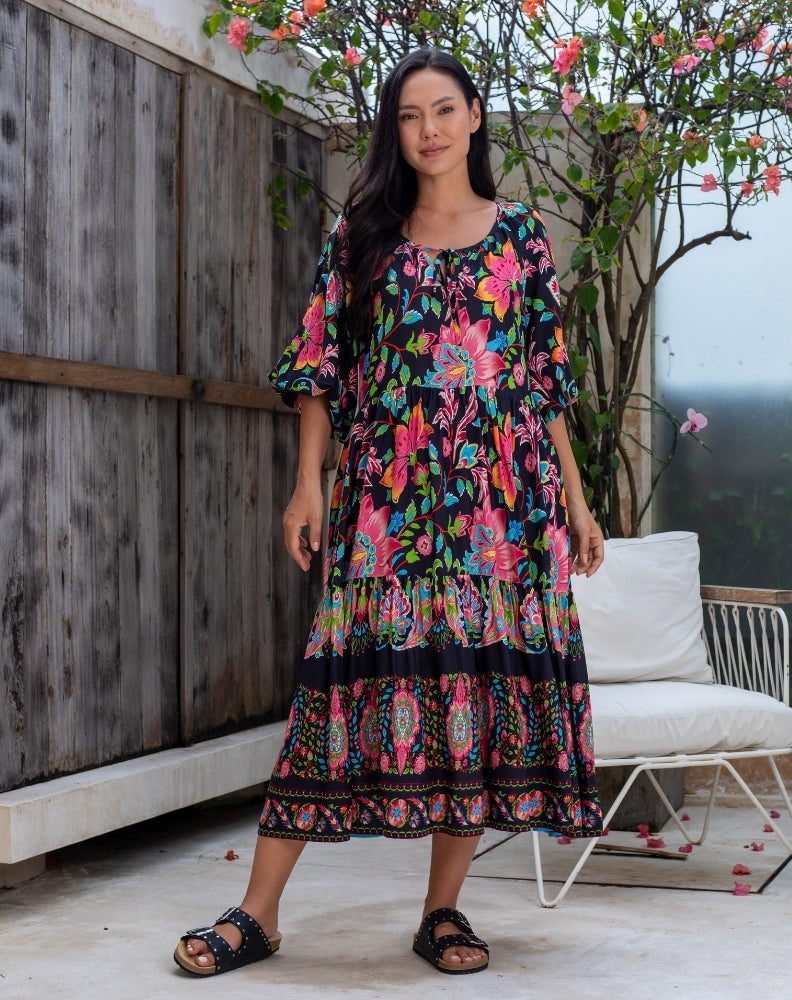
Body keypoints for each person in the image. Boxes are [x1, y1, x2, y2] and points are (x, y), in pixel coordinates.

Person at [174, 47, 604, 979]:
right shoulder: (363, 231)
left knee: (471, 699)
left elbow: (544, 385)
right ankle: (259, 913)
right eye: (410, 117)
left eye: (444, 110)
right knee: (332, 694)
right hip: (387, 509)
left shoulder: (522, 237)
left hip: (505, 511)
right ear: (394, 131)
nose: (430, 131)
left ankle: (443, 911)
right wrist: (307, 485)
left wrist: (574, 499)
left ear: (477, 116)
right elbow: (320, 369)